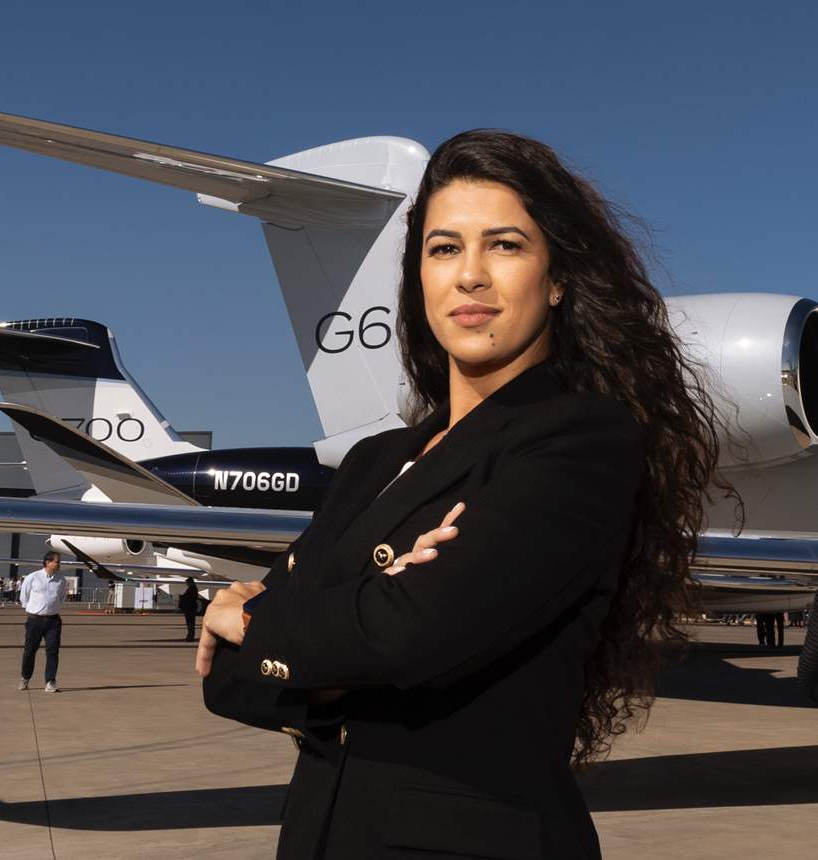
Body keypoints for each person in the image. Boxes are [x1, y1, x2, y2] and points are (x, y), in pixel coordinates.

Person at [196, 130, 733, 859]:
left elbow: (409, 634)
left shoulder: (581, 441)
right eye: (444, 248)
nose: (470, 276)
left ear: (557, 278)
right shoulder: (375, 460)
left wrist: (259, 617)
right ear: (418, 277)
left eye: (505, 245)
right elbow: (229, 682)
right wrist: (356, 627)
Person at [18, 551, 67, 692]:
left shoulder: (61, 579)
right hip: (35, 620)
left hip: (53, 621)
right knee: (29, 651)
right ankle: (25, 677)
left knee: (52, 651)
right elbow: (24, 596)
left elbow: (62, 597)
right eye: (57, 562)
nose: (59, 564)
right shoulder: (33, 577)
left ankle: (50, 682)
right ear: (48, 562)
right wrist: (33, 609)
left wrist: (51, 608)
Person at [178, 577, 200, 642]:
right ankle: (190, 637)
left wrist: (182, 597)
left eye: (187, 583)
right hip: (191, 608)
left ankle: (190, 637)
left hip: (190, 608)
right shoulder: (193, 589)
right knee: (191, 623)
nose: (187, 584)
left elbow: (189, 598)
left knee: (190, 623)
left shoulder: (191, 589)